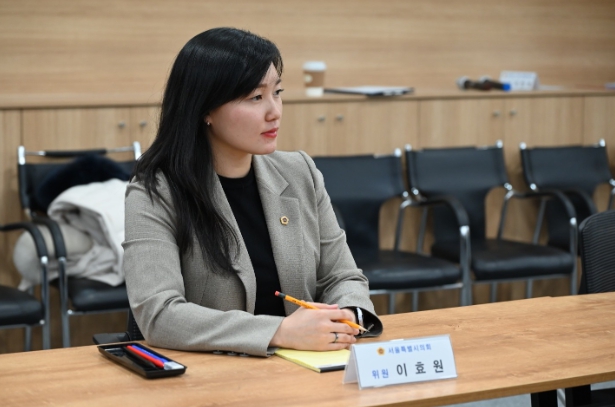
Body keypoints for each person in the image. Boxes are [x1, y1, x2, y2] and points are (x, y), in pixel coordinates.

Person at [123, 27, 383, 357]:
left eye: (277, 92)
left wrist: (348, 315)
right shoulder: (155, 191)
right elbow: (159, 315)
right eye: (255, 97)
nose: (274, 111)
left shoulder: (299, 171)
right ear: (205, 109)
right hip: (213, 372)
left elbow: (343, 276)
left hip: (305, 365)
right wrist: (280, 332)